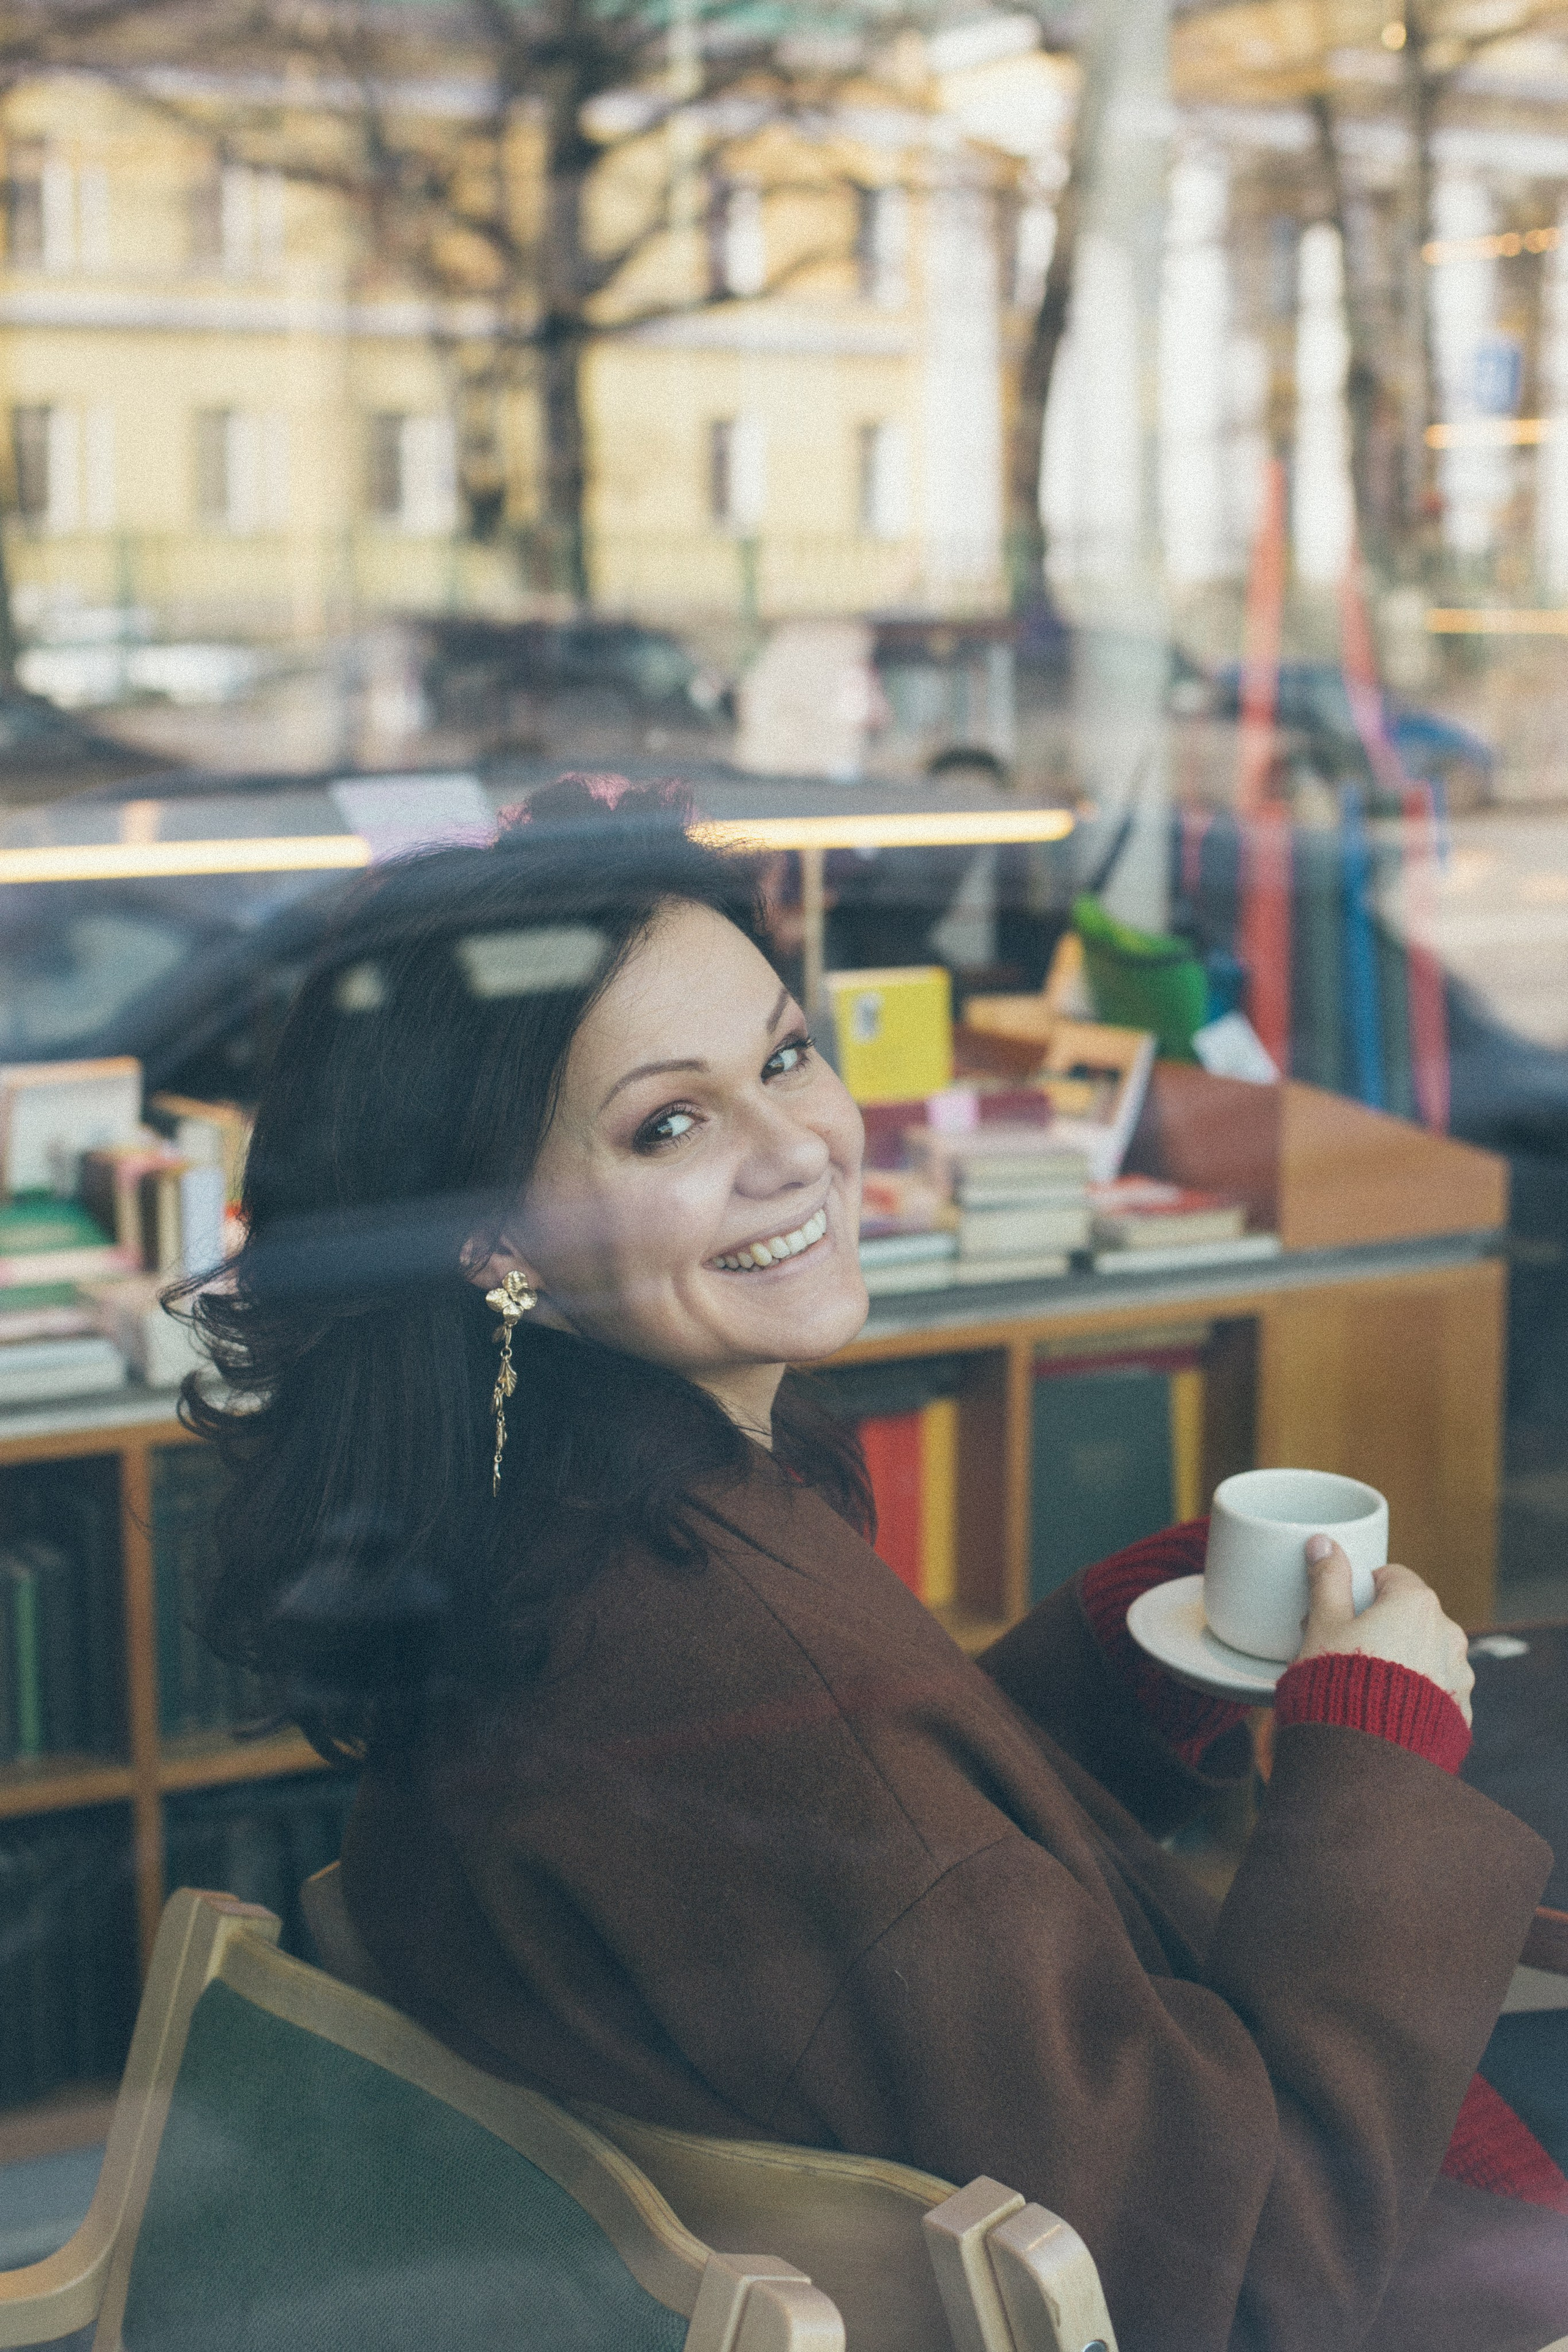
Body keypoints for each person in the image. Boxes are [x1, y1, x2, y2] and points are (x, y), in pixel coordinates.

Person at [185, 777, 1566, 2352]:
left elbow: (871, 1892)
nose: (798, 1149)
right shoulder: (726, 1642)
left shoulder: (540, 1536)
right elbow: (1258, 2265)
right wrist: (1371, 1764)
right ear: (492, 1244)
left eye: (783, 1055)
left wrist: (1115, 1667)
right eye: (670, 1122)